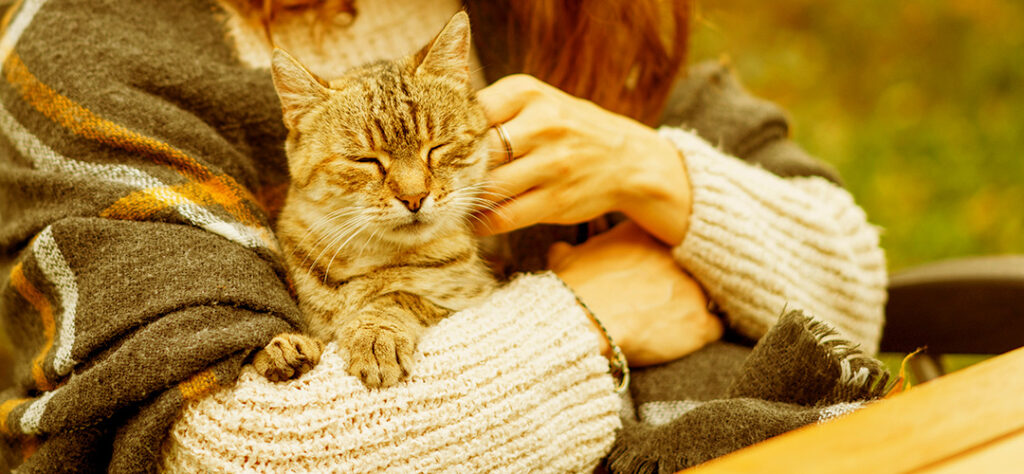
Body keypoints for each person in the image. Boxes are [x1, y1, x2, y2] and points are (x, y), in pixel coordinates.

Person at [0, 0, 887, 472]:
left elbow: (849, 299)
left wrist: (654, 171)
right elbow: (239, 455)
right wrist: (588, 322)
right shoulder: (88, 46)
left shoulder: (563, 10)